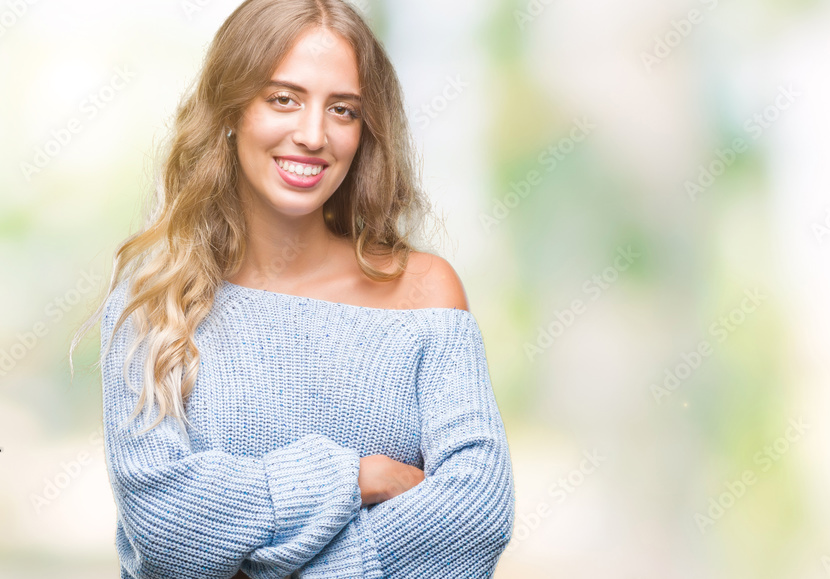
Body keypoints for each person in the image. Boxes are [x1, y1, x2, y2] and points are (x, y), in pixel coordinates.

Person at [71, 0, 515, 577]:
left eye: (343, 110)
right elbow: (165, 525)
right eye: (283, 98)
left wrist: (259, 552)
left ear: (365, 130)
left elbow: (475, 512)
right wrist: (351, 479)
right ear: (232, 110)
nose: (313, 135)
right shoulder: (156, 297)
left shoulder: (424, 292)